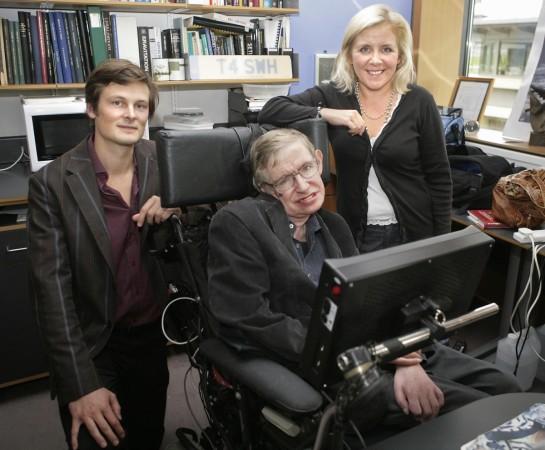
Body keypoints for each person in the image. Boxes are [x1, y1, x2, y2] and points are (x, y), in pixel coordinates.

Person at [207, 128, 520, 436]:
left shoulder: (335, 225)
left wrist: (404, 358)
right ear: (265, 188)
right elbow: (251, 318)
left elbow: (372, 301)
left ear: (318, 160)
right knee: (477, 411)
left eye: (305, 168)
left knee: (505, 388)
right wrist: (378, 352)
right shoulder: (239, 223)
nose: (303, 185)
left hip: (375, 344)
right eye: (285, 180)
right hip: (318, 361)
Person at [28, 59, 179, 450]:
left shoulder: (165, 162)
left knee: (147, 438)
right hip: (93, 345)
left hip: (148, 339)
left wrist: (178, 206)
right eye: (117, 103)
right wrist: (80, 384)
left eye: (140, 106)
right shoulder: (52, 184)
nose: (131, 115)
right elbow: (52, 296)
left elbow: (201, 222)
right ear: (92, 109)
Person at [258, 4, 452, 253]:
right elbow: (271, 109)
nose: (375, 59)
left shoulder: (419, 101)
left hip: (415, 234)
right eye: (364, 49)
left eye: (386, 49)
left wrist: (444, 244)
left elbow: (439, 177)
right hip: (356, 235)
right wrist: (326, 113)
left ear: (400, 56)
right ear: (350, 55)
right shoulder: (333, 95)